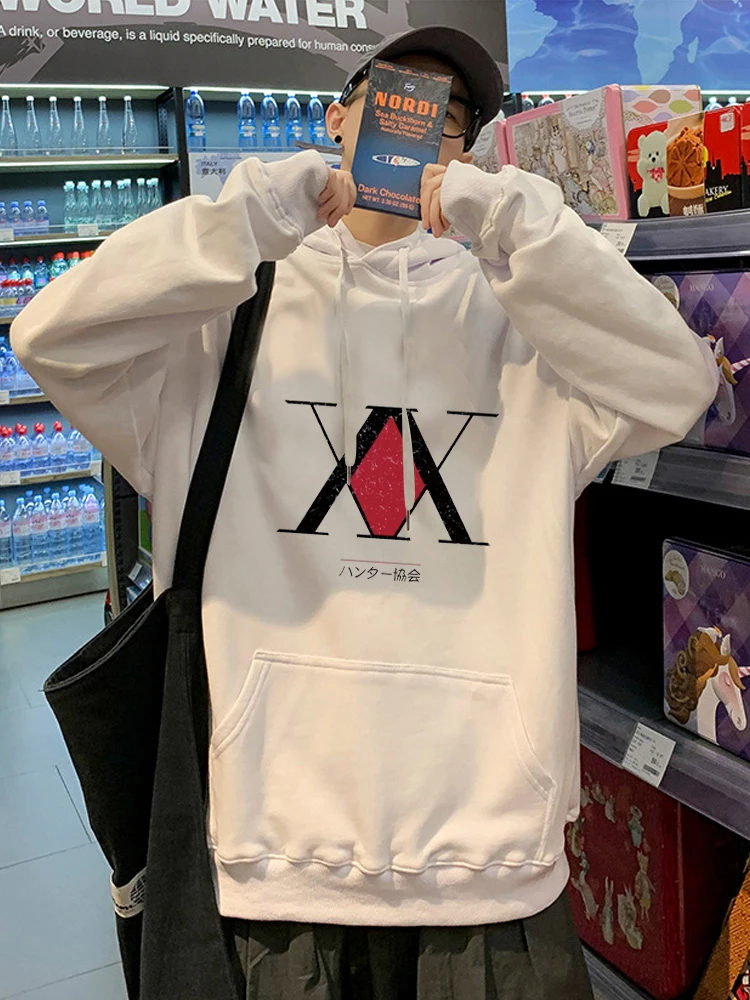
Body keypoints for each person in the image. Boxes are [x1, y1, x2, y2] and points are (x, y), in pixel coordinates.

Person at [11, 26, 717, 1000]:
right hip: (274, 863)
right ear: (337, 118)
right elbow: (50, 337)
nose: (415, 124)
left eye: (449, 114)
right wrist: (248, 218)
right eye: (390, 95)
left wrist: (514, 222)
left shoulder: (529, 331)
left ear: (466, 148)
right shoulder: (225, 324)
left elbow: (680, 383)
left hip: (491, 868)